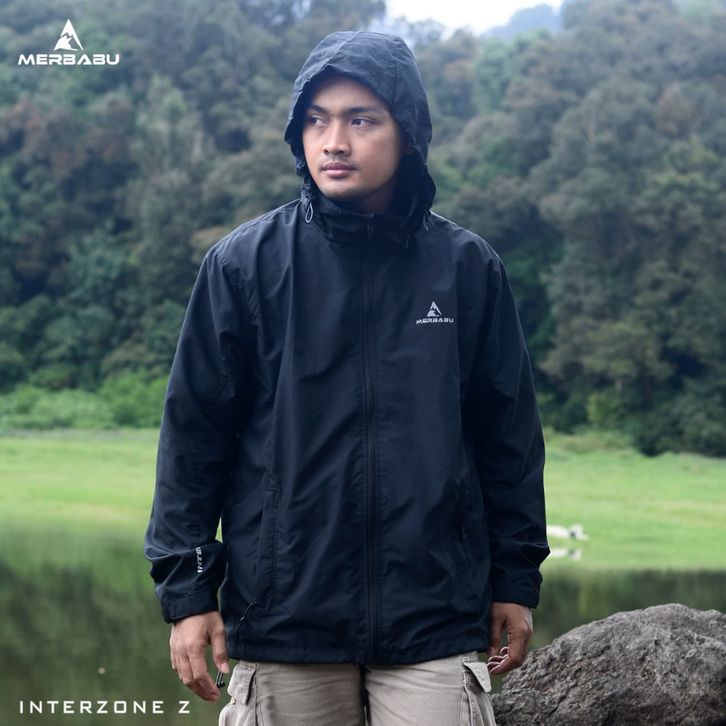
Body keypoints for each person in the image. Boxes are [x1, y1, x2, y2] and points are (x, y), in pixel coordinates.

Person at [144, 30, 549, 726]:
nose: (334, 142)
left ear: (407, 132)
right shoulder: (243, 266)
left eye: (362, 120)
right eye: (316, 120)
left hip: (435, 617)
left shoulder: (467, 269)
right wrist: (189, 595)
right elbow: (193, 440)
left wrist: (514, 580)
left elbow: (507, 439)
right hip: (283, 618)